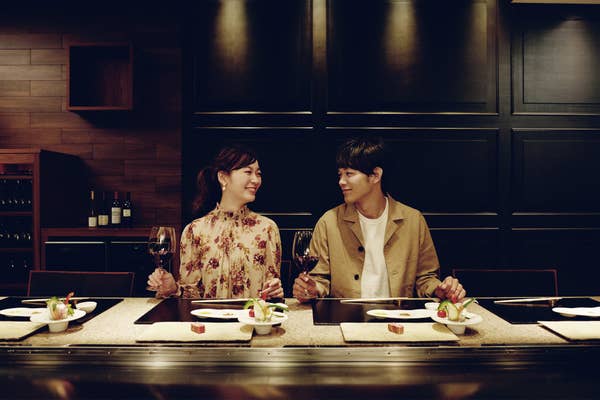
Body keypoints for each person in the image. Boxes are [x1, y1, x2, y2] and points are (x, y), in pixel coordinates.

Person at [293, 137, 466, 303]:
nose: (341, 181)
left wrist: (441, 289)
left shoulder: (413, 220)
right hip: (346, 317)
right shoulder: (329, 222)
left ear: (375, 175)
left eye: (349, 174)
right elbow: (320, 279)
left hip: (398, 317)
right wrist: (312, 289)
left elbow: (426, 278)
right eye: (340, 174)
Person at [147, 145, 283, 299]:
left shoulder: (267, 229)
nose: (256, 180)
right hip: (208, 316)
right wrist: (173, 288)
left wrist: (275, 292)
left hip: (251, 315)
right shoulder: (195, 230)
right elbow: (189, 296)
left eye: (258, 173)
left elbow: (271, 295)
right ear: (223, 177)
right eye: (248, 172)